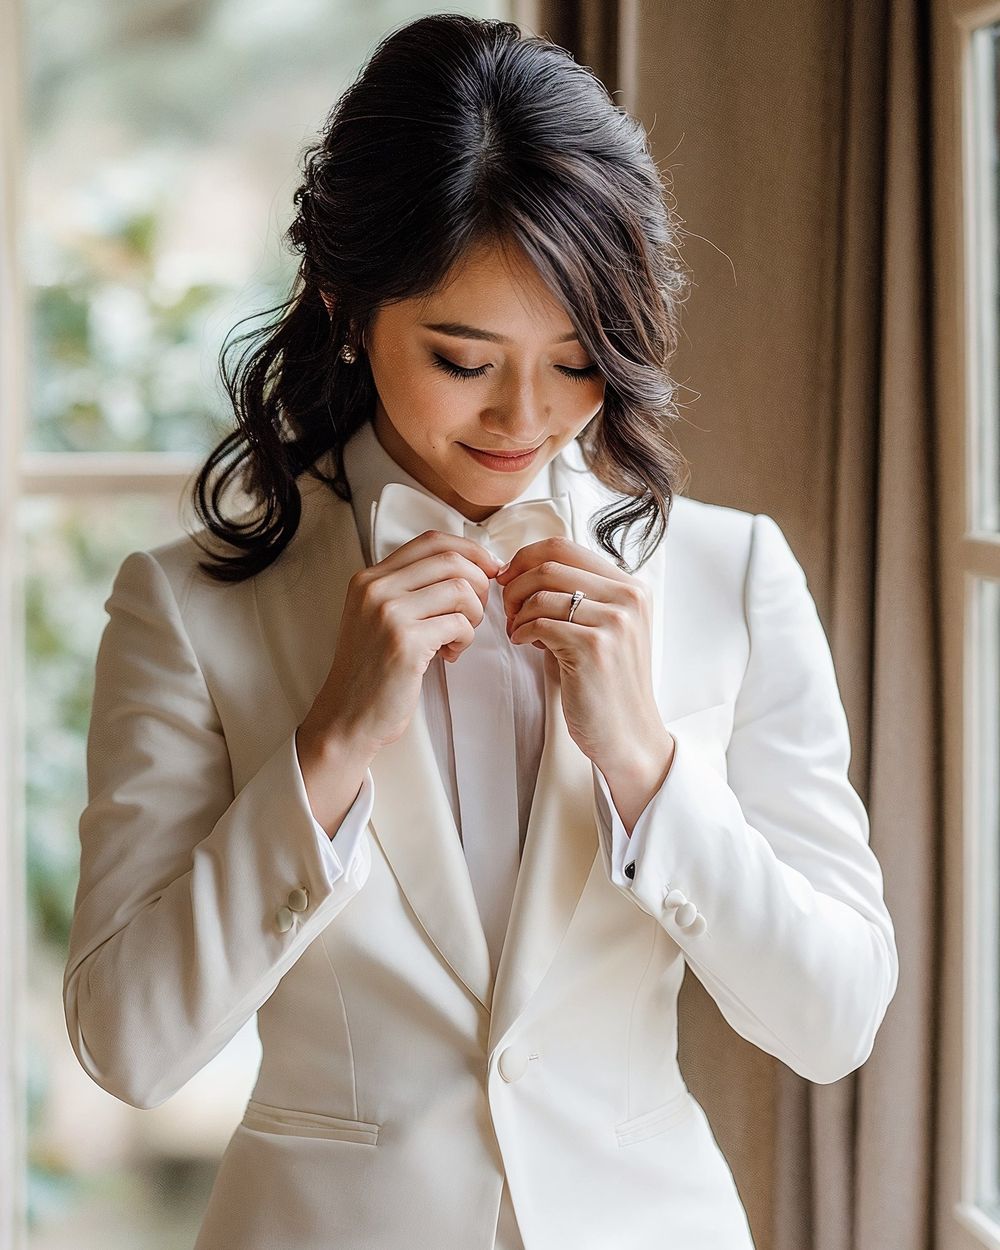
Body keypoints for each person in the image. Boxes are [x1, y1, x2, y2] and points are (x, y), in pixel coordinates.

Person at [62, 12, 898, 1250]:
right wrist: (328, 747)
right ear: (347, 307)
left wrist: (646, 766)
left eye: (577, 360)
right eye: (463, 359)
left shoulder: (732, 575)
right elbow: (130, 1044)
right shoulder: (185, 607)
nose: (525, 417)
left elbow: (835, 1018)